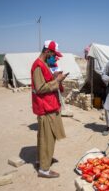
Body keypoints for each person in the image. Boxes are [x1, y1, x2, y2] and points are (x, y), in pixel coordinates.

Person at [31, 40, 67, 178]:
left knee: (43, 136)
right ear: (47, 51)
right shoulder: (39, 66)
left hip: (48, 105)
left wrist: (55, 77)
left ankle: (41, 160)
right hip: (45, 107)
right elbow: (40, 88)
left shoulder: (43, 65)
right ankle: (44, 169)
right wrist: (56, 81)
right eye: (53, 54)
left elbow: (45, 82)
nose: (54, 57)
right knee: (48, 138)